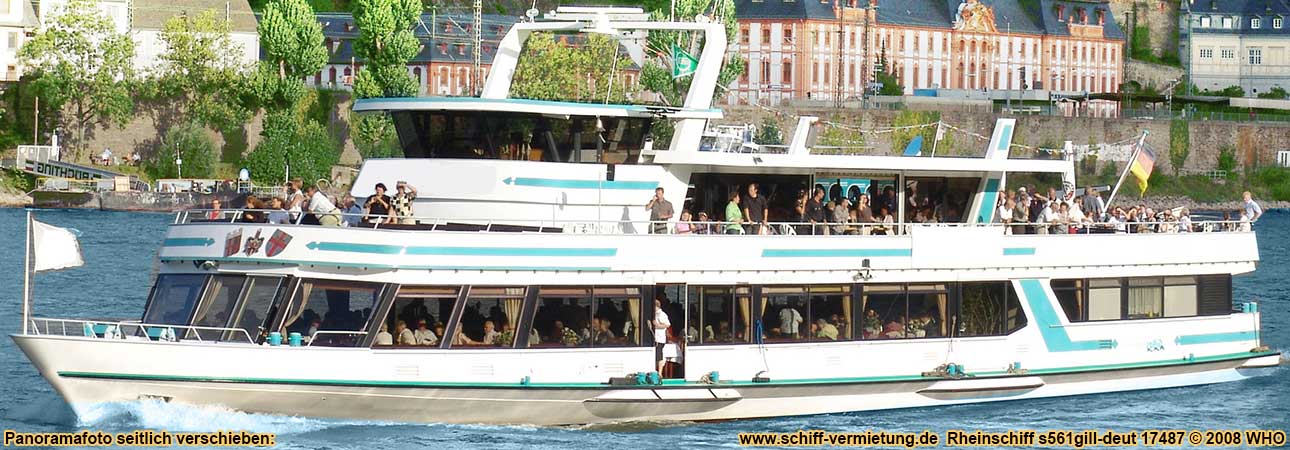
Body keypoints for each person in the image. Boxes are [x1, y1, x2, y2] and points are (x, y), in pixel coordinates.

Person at [652, 297, 670, 373]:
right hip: (655, 338)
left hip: (660, 339)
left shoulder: (662, 314)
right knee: (656, 355)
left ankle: (660, 372)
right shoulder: (655, 314)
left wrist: (657, 325)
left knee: (659, 356)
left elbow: (667, 324)